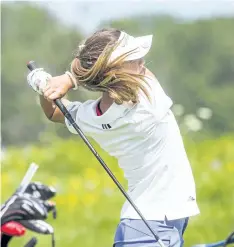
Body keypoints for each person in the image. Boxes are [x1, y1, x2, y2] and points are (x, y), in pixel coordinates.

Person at [27, 28, 200, 247]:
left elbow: (53, 112)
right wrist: (69, 79)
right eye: (133, 58)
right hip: (152, 228)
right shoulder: (149, 102)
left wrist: (44, 87)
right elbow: (133, 76)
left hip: (144, 225)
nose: (142, 61)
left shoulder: (94, 116)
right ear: (116, 70)